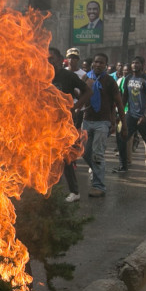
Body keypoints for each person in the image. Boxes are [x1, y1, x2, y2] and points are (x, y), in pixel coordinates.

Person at [49, 47, 92, 201]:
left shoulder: (67, 76)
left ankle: (75, 192)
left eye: (52, 57)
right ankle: (51, 190)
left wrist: (75, 106)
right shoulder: (42, 76)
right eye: (46, 58)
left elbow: (88, 91)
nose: (49, 60)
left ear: (61, 60)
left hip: (63, 123)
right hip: (45, 123)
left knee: (65, 157)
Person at [79, 53, 122, 197]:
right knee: (84, 152)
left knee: (98, 154)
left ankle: (99, 185)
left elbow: (118, 102)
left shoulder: (109, 81)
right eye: (96, 62)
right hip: (87, 120)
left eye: (101, 63)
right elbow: (80, 97)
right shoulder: (86, 78)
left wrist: (120, 122)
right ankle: (99, 172)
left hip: (102, 122)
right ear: (92, 63)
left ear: (106, 65)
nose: (98, 65)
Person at [117, 56, 146, 173]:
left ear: (142, 65)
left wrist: (145, 115)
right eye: (132, 63)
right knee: (121, 137)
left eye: (137, 63)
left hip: (144, 116)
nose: (134, 65)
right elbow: (125, 97)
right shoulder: (127, 78)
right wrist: (120, 114)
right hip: (131, 115)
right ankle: (123, 166)